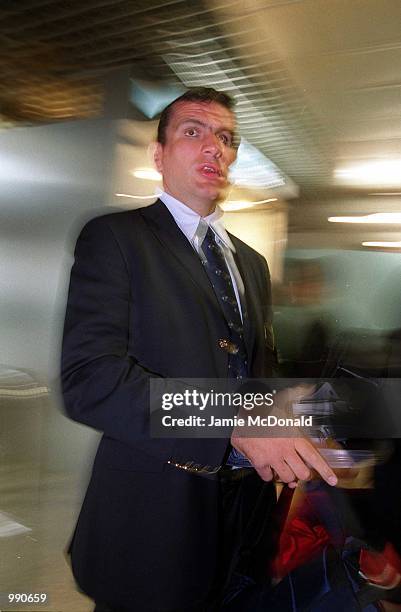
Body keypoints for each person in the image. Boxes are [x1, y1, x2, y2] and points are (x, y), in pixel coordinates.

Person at [61, 87, 337, 612]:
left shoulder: (251, 264)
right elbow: (89, 380)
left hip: (244, 525)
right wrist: (234, 420)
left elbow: (248, 373)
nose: (215, 147)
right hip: (151, 522)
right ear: (159, 155)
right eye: (193, 131)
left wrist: (284, 404)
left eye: (226, 138)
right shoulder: (116, 239)